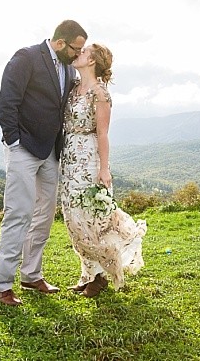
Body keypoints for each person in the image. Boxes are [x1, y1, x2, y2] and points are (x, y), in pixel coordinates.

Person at [0, 20, 87, 306]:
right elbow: (7, 101)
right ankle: (1, 284)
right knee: (18, 213)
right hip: (24, 149)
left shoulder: (68, 68)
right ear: (60, 42)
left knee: (43, 217)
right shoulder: (26, 58)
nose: (78, 54)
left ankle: (31, 275)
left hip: (50, 152)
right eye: (75, 48)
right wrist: (14, 141)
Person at [58, 44, 146, 297]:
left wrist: (104, 169)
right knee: (73, 218)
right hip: (69, 159)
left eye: (84, 52)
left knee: (91, 218)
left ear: (93, 61)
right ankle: (88, 273)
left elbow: (103, 134)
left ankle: (100, 277)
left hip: (89, 159)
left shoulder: (100, 93)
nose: (78, 54)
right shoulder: (74, 87)